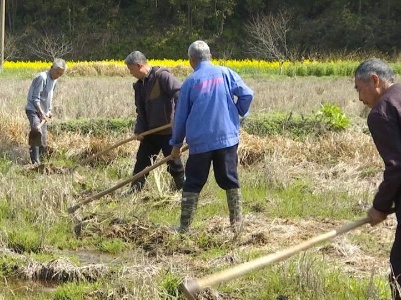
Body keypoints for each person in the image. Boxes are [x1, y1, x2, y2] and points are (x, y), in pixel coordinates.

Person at [170, 40, 254, 234]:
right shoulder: (226, 73)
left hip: (201, 142)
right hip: (227, 138)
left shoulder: (190, 83)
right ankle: (237, 225)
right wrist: (238, 111)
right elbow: (247, 94)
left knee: (193, 181)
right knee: (230, 179)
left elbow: (181, 117)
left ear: (191, 60)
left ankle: (184, 228)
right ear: (209, 56)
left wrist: (176, 144)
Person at [354, 58, 401, 300]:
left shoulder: (382, 112)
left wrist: (380, 206)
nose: (359, 97)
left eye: (358, 88)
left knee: (400, 272)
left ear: (375, 81)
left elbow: (397, 168)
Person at [124, 51, 185, 193]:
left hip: (167, 131)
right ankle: (134, 191)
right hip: (150, 133)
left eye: (131, 69)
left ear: (139, 65)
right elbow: (140, 110)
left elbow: (179, 93)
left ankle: (183, 190)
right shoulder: (139, 85)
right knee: (141, 162)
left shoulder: (162, 76)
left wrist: (177, 118)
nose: (130, 73)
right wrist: (139, 129)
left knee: (174, 163)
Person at [25, 58, 67, 164]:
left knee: (43, 139)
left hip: (43, 112)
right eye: (57, 72)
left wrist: (48, 111)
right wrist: (41, 113)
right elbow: (35, 99)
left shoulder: (54, 80)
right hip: (33, 110)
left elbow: (49, 96)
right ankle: (35, 162)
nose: (58, 75)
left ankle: (42, 162)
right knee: (36, 131)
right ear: (52, 68)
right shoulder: (42, 78)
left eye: (60, 74)